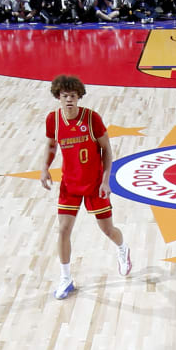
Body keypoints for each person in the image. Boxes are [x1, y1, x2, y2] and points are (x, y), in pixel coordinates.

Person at [39, 74, 133, 299]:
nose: (69, 100)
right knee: (63, 230)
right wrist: (44, 168)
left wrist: (106, 180)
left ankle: (123, 249)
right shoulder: (53, 120)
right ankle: (65, 278)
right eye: (65, 96)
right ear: (58, 98)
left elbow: (107, 151)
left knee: (108, 230)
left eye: (73, 96)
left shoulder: (92, 119)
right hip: (70, 184)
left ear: (79, 97)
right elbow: (51, 145)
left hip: (94, 184)